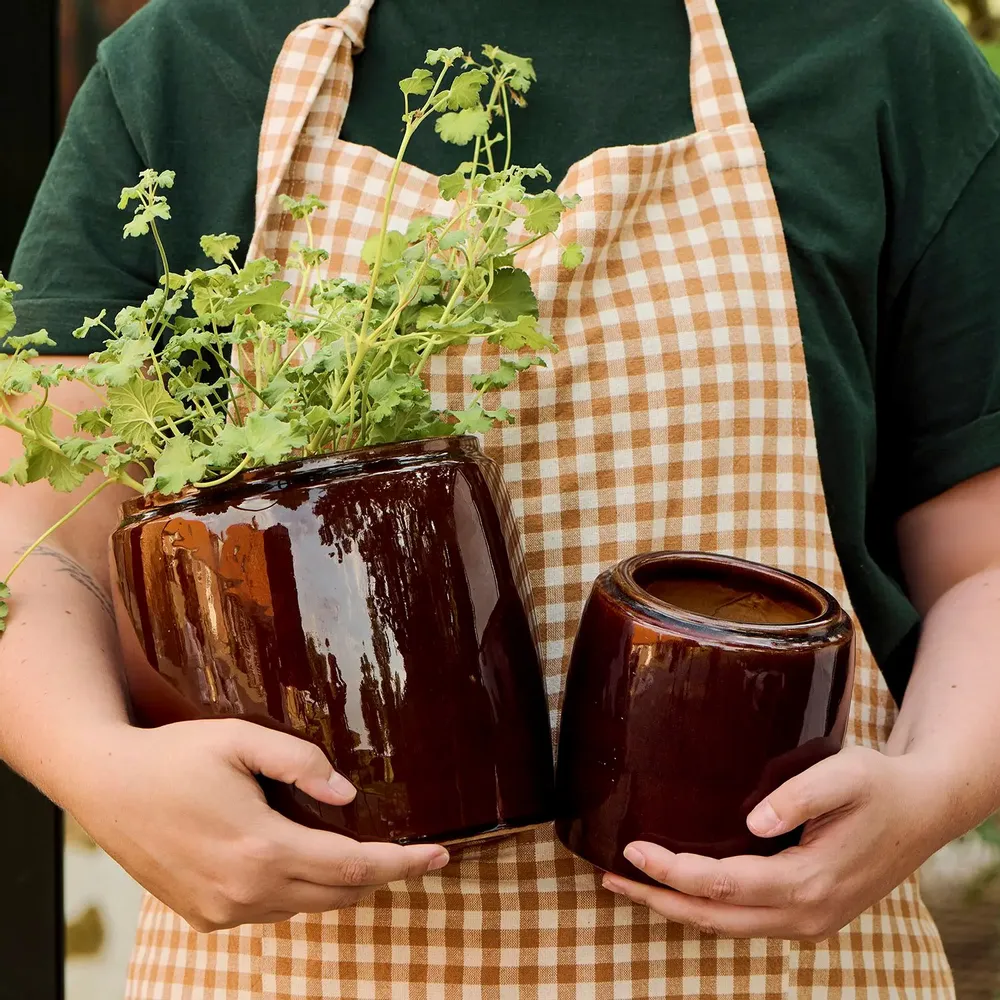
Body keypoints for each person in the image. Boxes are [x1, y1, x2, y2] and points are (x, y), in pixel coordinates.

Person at [4, 0, 1000, 995]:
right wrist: (96, 765)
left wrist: (930, 791)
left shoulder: (881, 53)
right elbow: (36, 518)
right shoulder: (195, 58)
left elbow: (984, 560)